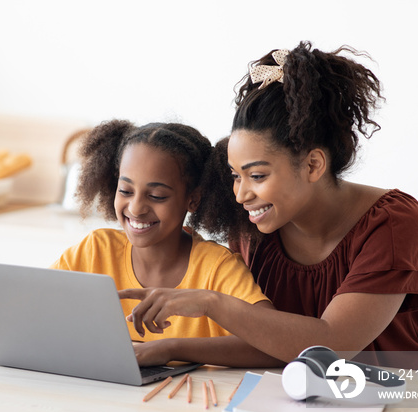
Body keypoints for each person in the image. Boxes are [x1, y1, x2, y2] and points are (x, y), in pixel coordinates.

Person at [120, 41, 418, 374]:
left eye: (257, 175)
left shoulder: (393, 223)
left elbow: (333, 343)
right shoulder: (253, 225)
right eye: (234, 176)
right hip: (338, 387)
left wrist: (211, 304)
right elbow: (270, 341)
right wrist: (170, 348)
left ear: (312, 165)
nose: (241, 194)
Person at [51, 119, 278, 365]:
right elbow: (35, 308)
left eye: (157, 196)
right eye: (126, 191)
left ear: (192, 200)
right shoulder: (95, 250)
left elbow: (273, 345)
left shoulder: (217, 268)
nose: (136, 208)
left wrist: (171, 348)